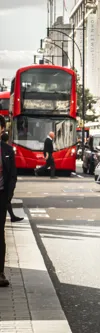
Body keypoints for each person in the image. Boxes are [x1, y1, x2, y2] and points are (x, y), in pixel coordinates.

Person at [0, 116, 17, 287]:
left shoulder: (7, 150)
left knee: (0, 235)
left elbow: (12, 176)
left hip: (1, 197)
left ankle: (0, 273)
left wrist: (8, 197)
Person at [0, 133, 23, 223]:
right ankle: (13, 216)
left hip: (3, 189)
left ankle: (12, 216)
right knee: (7, 201)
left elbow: (12, 173)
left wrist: (11, 187)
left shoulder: (7, 150)